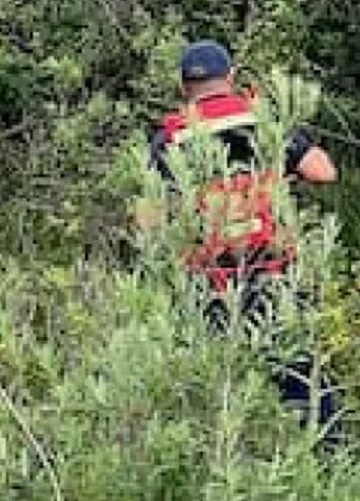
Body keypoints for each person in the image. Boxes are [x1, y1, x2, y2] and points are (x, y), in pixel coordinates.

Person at [142, 39, 342, 443]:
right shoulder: (261, 118)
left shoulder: (171, 139)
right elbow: (324, 172)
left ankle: (222, 464)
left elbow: (149, 222)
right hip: (272, 271)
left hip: (210, 280)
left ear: (184, 86)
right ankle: (331, 461)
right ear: (230, 78)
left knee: (214, 385)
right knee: (301, 379)